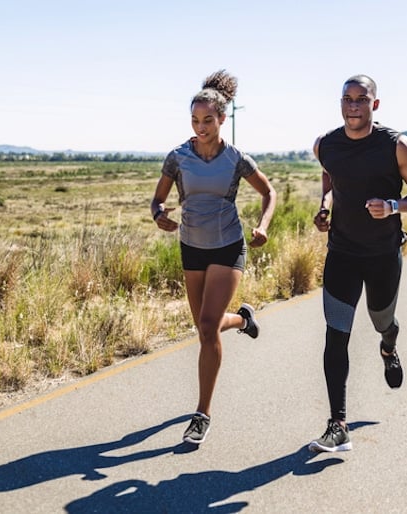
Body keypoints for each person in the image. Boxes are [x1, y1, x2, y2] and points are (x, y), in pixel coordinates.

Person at [150, 69, 276, 445]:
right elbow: (157, 199)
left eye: (208, 120)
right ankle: (242, 319)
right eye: (194, 120)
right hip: (191, 246)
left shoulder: (237, 159)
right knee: (205, 327)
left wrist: (264, 226)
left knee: (206, 328)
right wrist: (159, 215)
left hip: (226, 245)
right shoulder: (178, 157)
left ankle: (202, 413)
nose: (200, 126)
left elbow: (269, 193)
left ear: (223, 119)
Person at [308, 74, 407, 452]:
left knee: (383, 321)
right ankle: (338, 424)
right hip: (342, 253)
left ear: (374, 105)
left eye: (361, 99)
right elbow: (331, 177)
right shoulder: (325, 145)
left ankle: (389, 347)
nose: (353, 106)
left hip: (382, 255)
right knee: (336, 334)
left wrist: (394, 206)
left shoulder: (397, 146)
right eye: (347, 99)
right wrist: (325, 205)